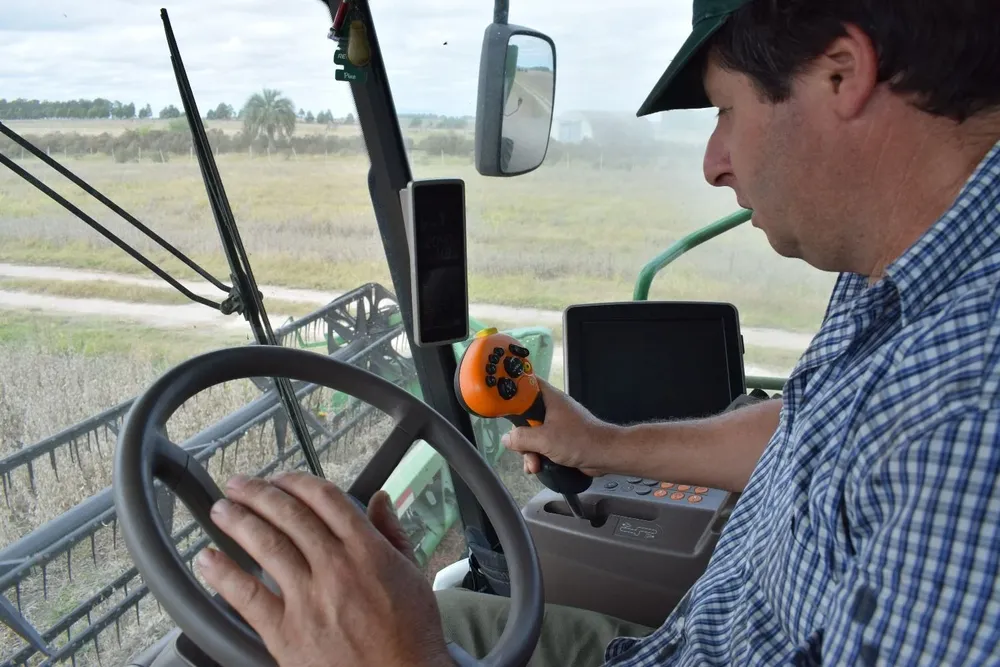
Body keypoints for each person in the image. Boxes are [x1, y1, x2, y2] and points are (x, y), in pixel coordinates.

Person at [191, 0, 1000, 665]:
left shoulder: (973, 422)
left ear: (842, 72)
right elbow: (808, 428)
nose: (714, 162)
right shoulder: (895, 275)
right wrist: (600, 442)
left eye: (726, 109)